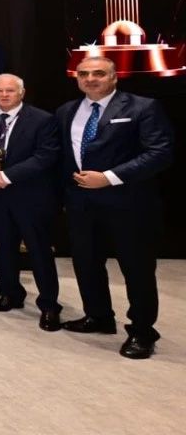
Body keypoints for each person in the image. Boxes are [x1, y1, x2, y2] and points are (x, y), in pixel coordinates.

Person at [57, 57, 173, 359]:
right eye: (83, 74)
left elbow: (160, 152)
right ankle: (98, 316)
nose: (90, 79)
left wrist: (109, 178)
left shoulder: (143, 107)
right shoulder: (67, 111)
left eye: (98, 73)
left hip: (129, 203)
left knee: (136, 268)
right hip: (81, 202)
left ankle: (142, 331)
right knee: (86, 262)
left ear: (114, 77)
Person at [0, 73, 63, 330]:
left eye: (10, 90)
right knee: (4, 247)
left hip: (30, 196)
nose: (4, 95)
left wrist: (6, 176)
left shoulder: (42, 119)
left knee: (38, 251)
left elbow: (45, 156)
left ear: (22, 93)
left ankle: (49, 305)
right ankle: (10, 293)